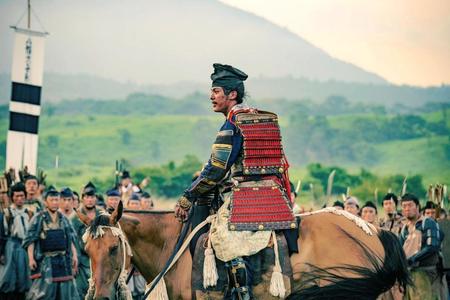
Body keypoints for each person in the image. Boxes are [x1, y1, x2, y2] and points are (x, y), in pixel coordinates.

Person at [175, 63, 297, 299]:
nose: (211, 96)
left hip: (245, 197)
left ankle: (242, 295)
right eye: (212, 91)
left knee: (222, 238)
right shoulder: (259, 117)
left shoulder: (232, 124)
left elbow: (215, 171)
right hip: (273, 193)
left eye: (217, 91)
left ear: (232, 95)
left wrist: (188, 196)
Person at [23, 186, 79, 300]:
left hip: (63, 260)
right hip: (45, 261)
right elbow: (31, 240)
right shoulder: (38, 218)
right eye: (52, 200)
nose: (54, 202)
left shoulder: (64, 219)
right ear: (45, 202)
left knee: (66, 294)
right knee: (44, 294)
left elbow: (71, 238)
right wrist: (31, 258)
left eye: (56, 200)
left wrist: (75, 255)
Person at [399, 193, 447, 299]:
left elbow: (432, 246)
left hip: (426, 272)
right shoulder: (404, 229)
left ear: (417, 207)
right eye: (404, 206)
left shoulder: (428, 222)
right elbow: (399, 251)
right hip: (409, 274)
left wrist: (412, 259)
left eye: (410, 205)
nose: (407, 209)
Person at [69, 182, 103, 299]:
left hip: (100, 260)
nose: (90, 200)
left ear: (96, 199)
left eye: (92, 197)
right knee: (81, 292)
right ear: (82, 198)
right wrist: (74, 260)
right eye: (87, 197)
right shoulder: (75, 217)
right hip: (82, 260)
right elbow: (71, 241)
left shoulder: (102, 215)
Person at [0, 183, 32, 300]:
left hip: (25, 246)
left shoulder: (29, 212)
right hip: (11, 245)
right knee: (8, 277)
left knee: (23, 277)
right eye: (17, 196)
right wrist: (1, 253)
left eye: (22, 196)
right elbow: (2, 234)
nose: (19, 199)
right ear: (12, 197)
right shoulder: (7, 213)